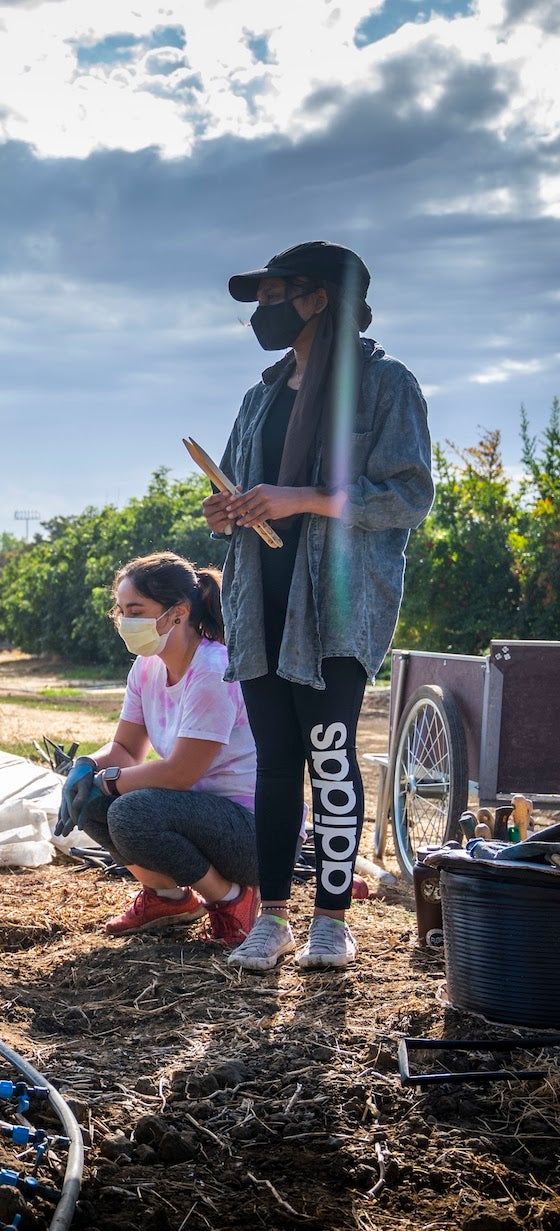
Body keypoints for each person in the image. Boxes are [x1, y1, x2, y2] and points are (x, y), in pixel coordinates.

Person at [205, 241, 433, 972]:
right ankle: (271, 920)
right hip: (259, 599)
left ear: (321, 298)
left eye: (277, 295)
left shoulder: (387, 386)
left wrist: (304, 498)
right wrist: (227, 510)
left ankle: (331, 922)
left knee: (330, 756)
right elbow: (245, 484)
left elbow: (408, 495)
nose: (263, 313)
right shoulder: (260, 395)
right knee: (277, 761)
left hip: (338, 604)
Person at [56, 554, 261, 945]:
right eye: (121, 610)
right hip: (193, 816)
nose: (124, 620)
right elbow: (126, 748)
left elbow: (181, 773)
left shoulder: (213, 669)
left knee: (130, 809)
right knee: (93, 802)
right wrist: (85, 766)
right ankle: (169, 898)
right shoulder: (146, 666)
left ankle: (232, 899)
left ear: (178, 612)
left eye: (136, 610)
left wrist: (108, 781)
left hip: (251, 834)